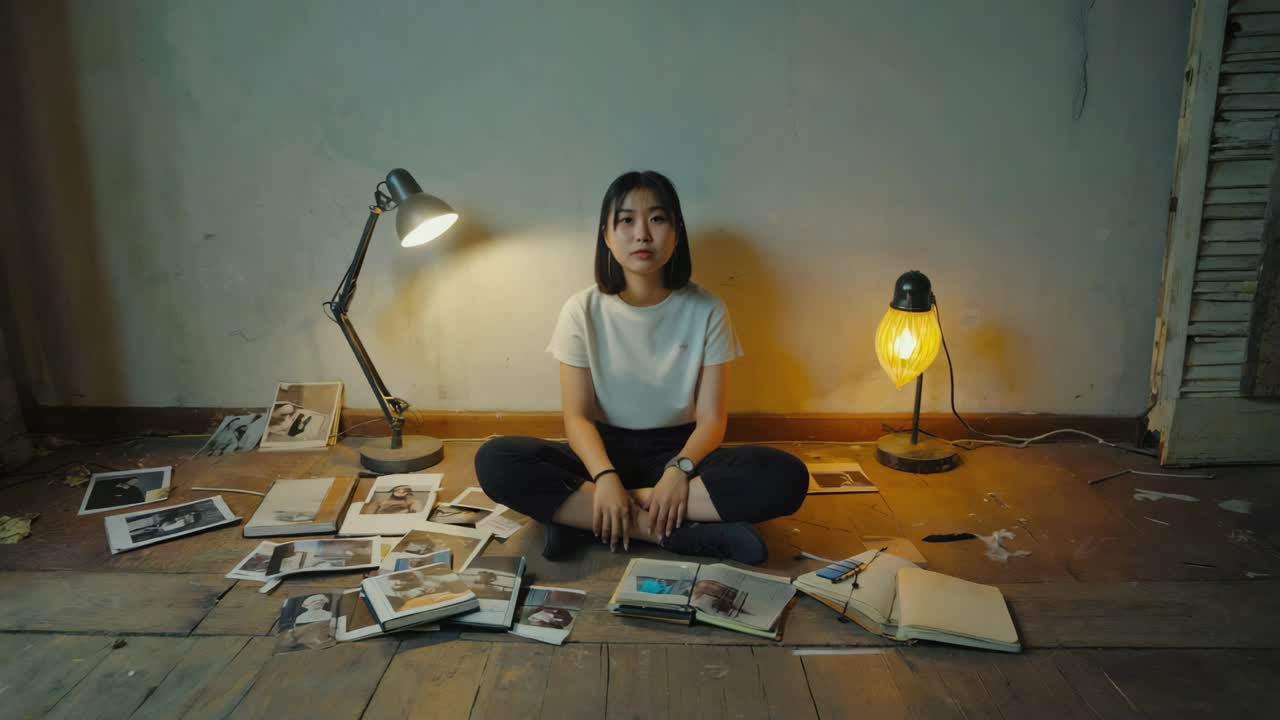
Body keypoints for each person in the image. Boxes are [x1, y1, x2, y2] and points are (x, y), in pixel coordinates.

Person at [475, 171, 808, 565]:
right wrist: (605, 478)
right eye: (627, 219)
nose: (642, 234)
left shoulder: (707, 310)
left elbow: (711, 420)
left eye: (657, 218)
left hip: (679, 451)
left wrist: (678, 472)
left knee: (785, 476)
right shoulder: (582, 310)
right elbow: (578, 417)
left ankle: (584, 518)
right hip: (600, 454)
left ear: (676, 232)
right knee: (496, 461)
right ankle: (665, 533)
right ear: (606, 234)